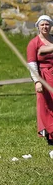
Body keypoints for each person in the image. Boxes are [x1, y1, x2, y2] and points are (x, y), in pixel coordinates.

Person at [27, 15, 53, 145]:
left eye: (47, 24)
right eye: (42, 25)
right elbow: (32, 64)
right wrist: (37, 81)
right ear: (38, 26)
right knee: (46, 106)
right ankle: (51, 135)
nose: (45, 27)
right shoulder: (34, 43)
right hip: (43, 77)